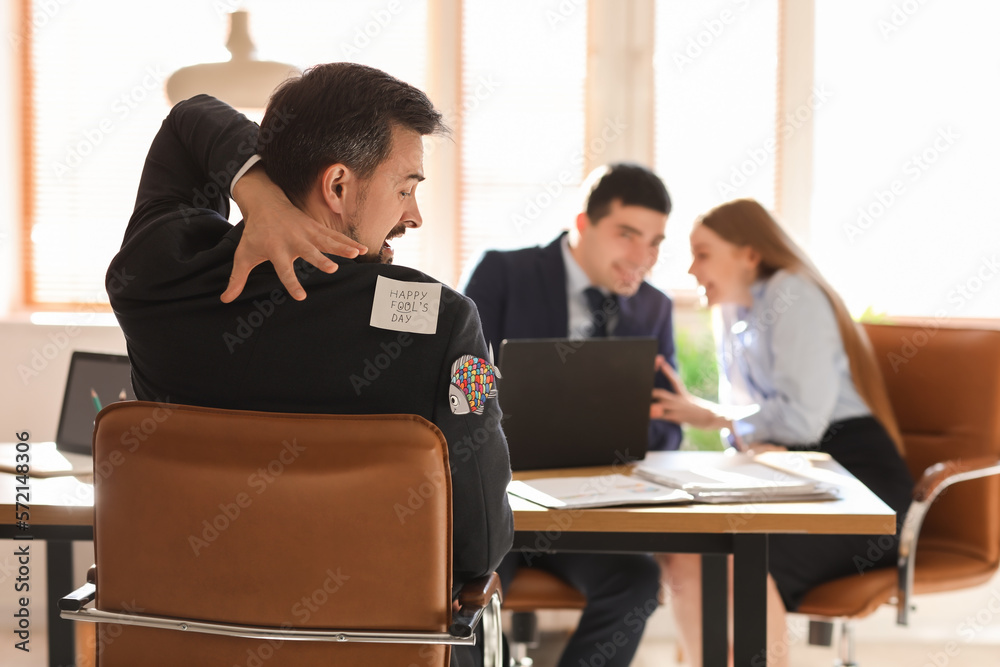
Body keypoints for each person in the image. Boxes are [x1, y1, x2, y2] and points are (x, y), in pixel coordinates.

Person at [107, 63, 514, 667]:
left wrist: (259, 197)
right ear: (339, 186)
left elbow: (189, 118)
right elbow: (480, 542)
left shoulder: (155, 278)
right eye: (406, 187)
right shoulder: (443, 321)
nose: (415, 214)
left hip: (188, 646)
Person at [651, 198, 914, 667]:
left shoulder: (792, 292)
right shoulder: (731, 311)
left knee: (737, 559)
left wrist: (721, 418)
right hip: (796, 474)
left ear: (749, 254)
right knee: (685, 552)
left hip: (857, 483)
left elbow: (803, 422)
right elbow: (750, 424)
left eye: (703, 253)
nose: (691, 269)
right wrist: (729, 423)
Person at [462, 163, 682, 667]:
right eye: (627, 235)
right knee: (466, 591)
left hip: (592, 515)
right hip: (500, 506)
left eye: (655, 242)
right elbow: (462, 383)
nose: (642, 257)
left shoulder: (654, 308)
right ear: (583, 225)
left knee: (638, 581)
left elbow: (666, 426)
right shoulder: (504, 273)